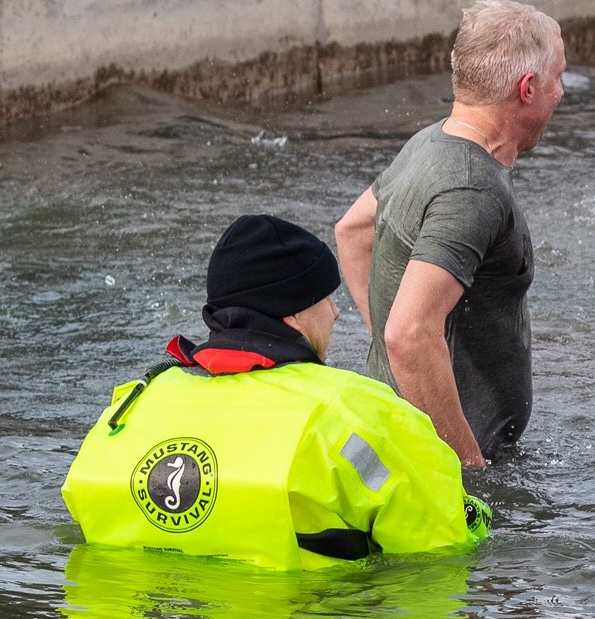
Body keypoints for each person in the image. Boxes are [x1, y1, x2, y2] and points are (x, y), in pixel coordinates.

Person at [64, 215, 487, 563]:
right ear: (293, 316)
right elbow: (448, 546)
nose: (337, 312)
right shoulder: (357, 410)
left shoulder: (131, 407)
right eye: (326, 298)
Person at [335, 0, 561, 471]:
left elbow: (353, 231)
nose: (561, 92)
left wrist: (394, 362)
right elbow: (410, 333)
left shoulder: (431, 141)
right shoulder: (471, 188)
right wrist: (469, 468)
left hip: (400, 441)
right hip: (439, 467)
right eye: (558, 78)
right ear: (528, 88)